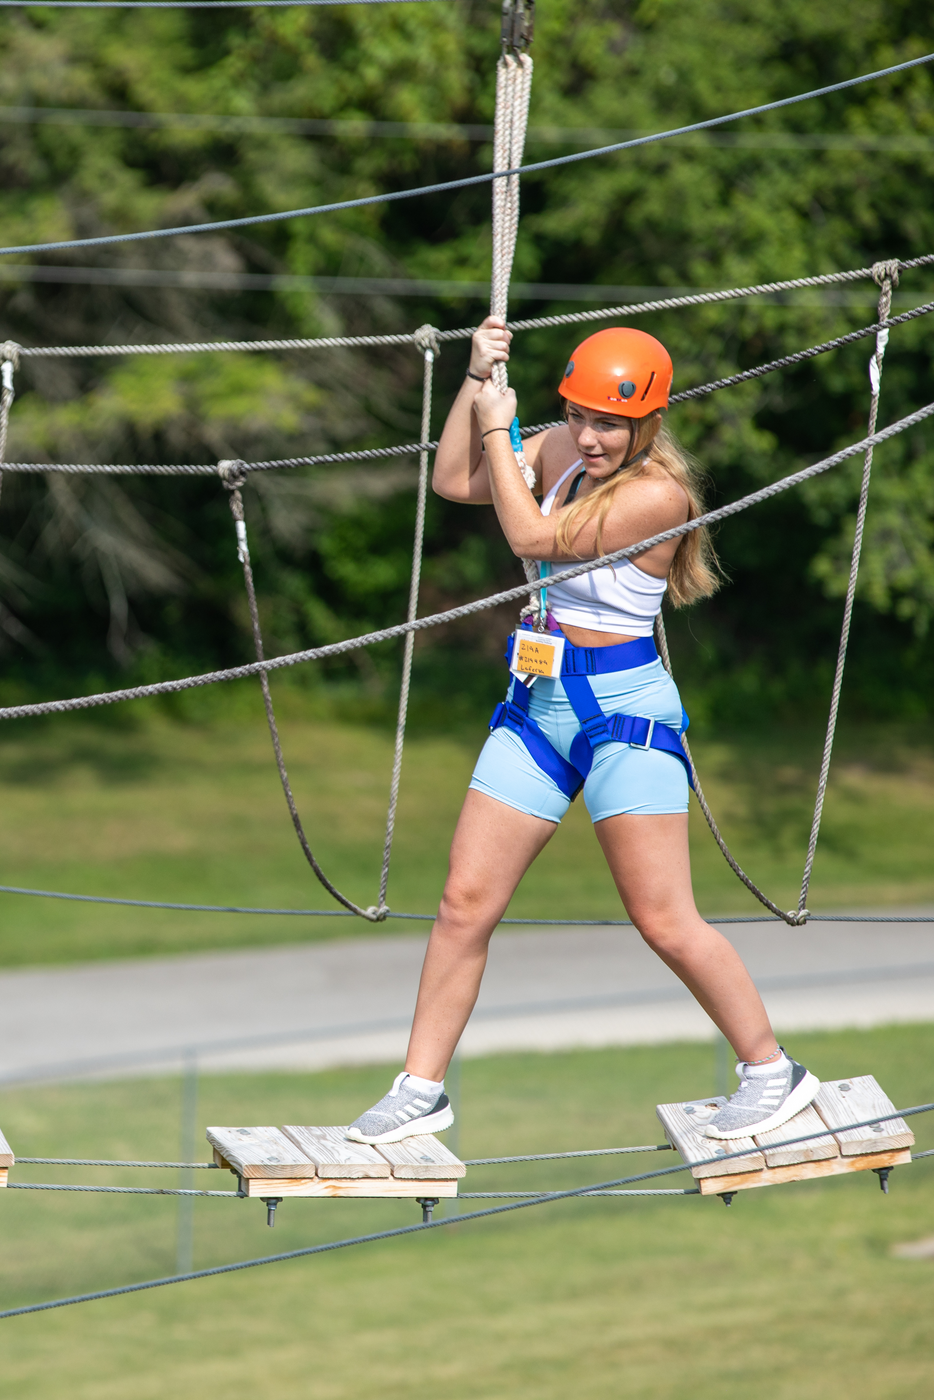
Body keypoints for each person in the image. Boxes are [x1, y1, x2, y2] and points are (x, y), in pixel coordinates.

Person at [345, 317, 816, 1146]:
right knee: (462, 905)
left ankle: (773, 1071)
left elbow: (531, 537)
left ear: (648, 424)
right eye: (579, 415)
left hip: (623, 714)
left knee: (664, 920)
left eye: (609, 422)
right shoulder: (558, 448)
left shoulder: (655, 498)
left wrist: (502, 427)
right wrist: (472, 381)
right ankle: (421, 1088)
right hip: (538, 704)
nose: (590, 437)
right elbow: (456, 480)